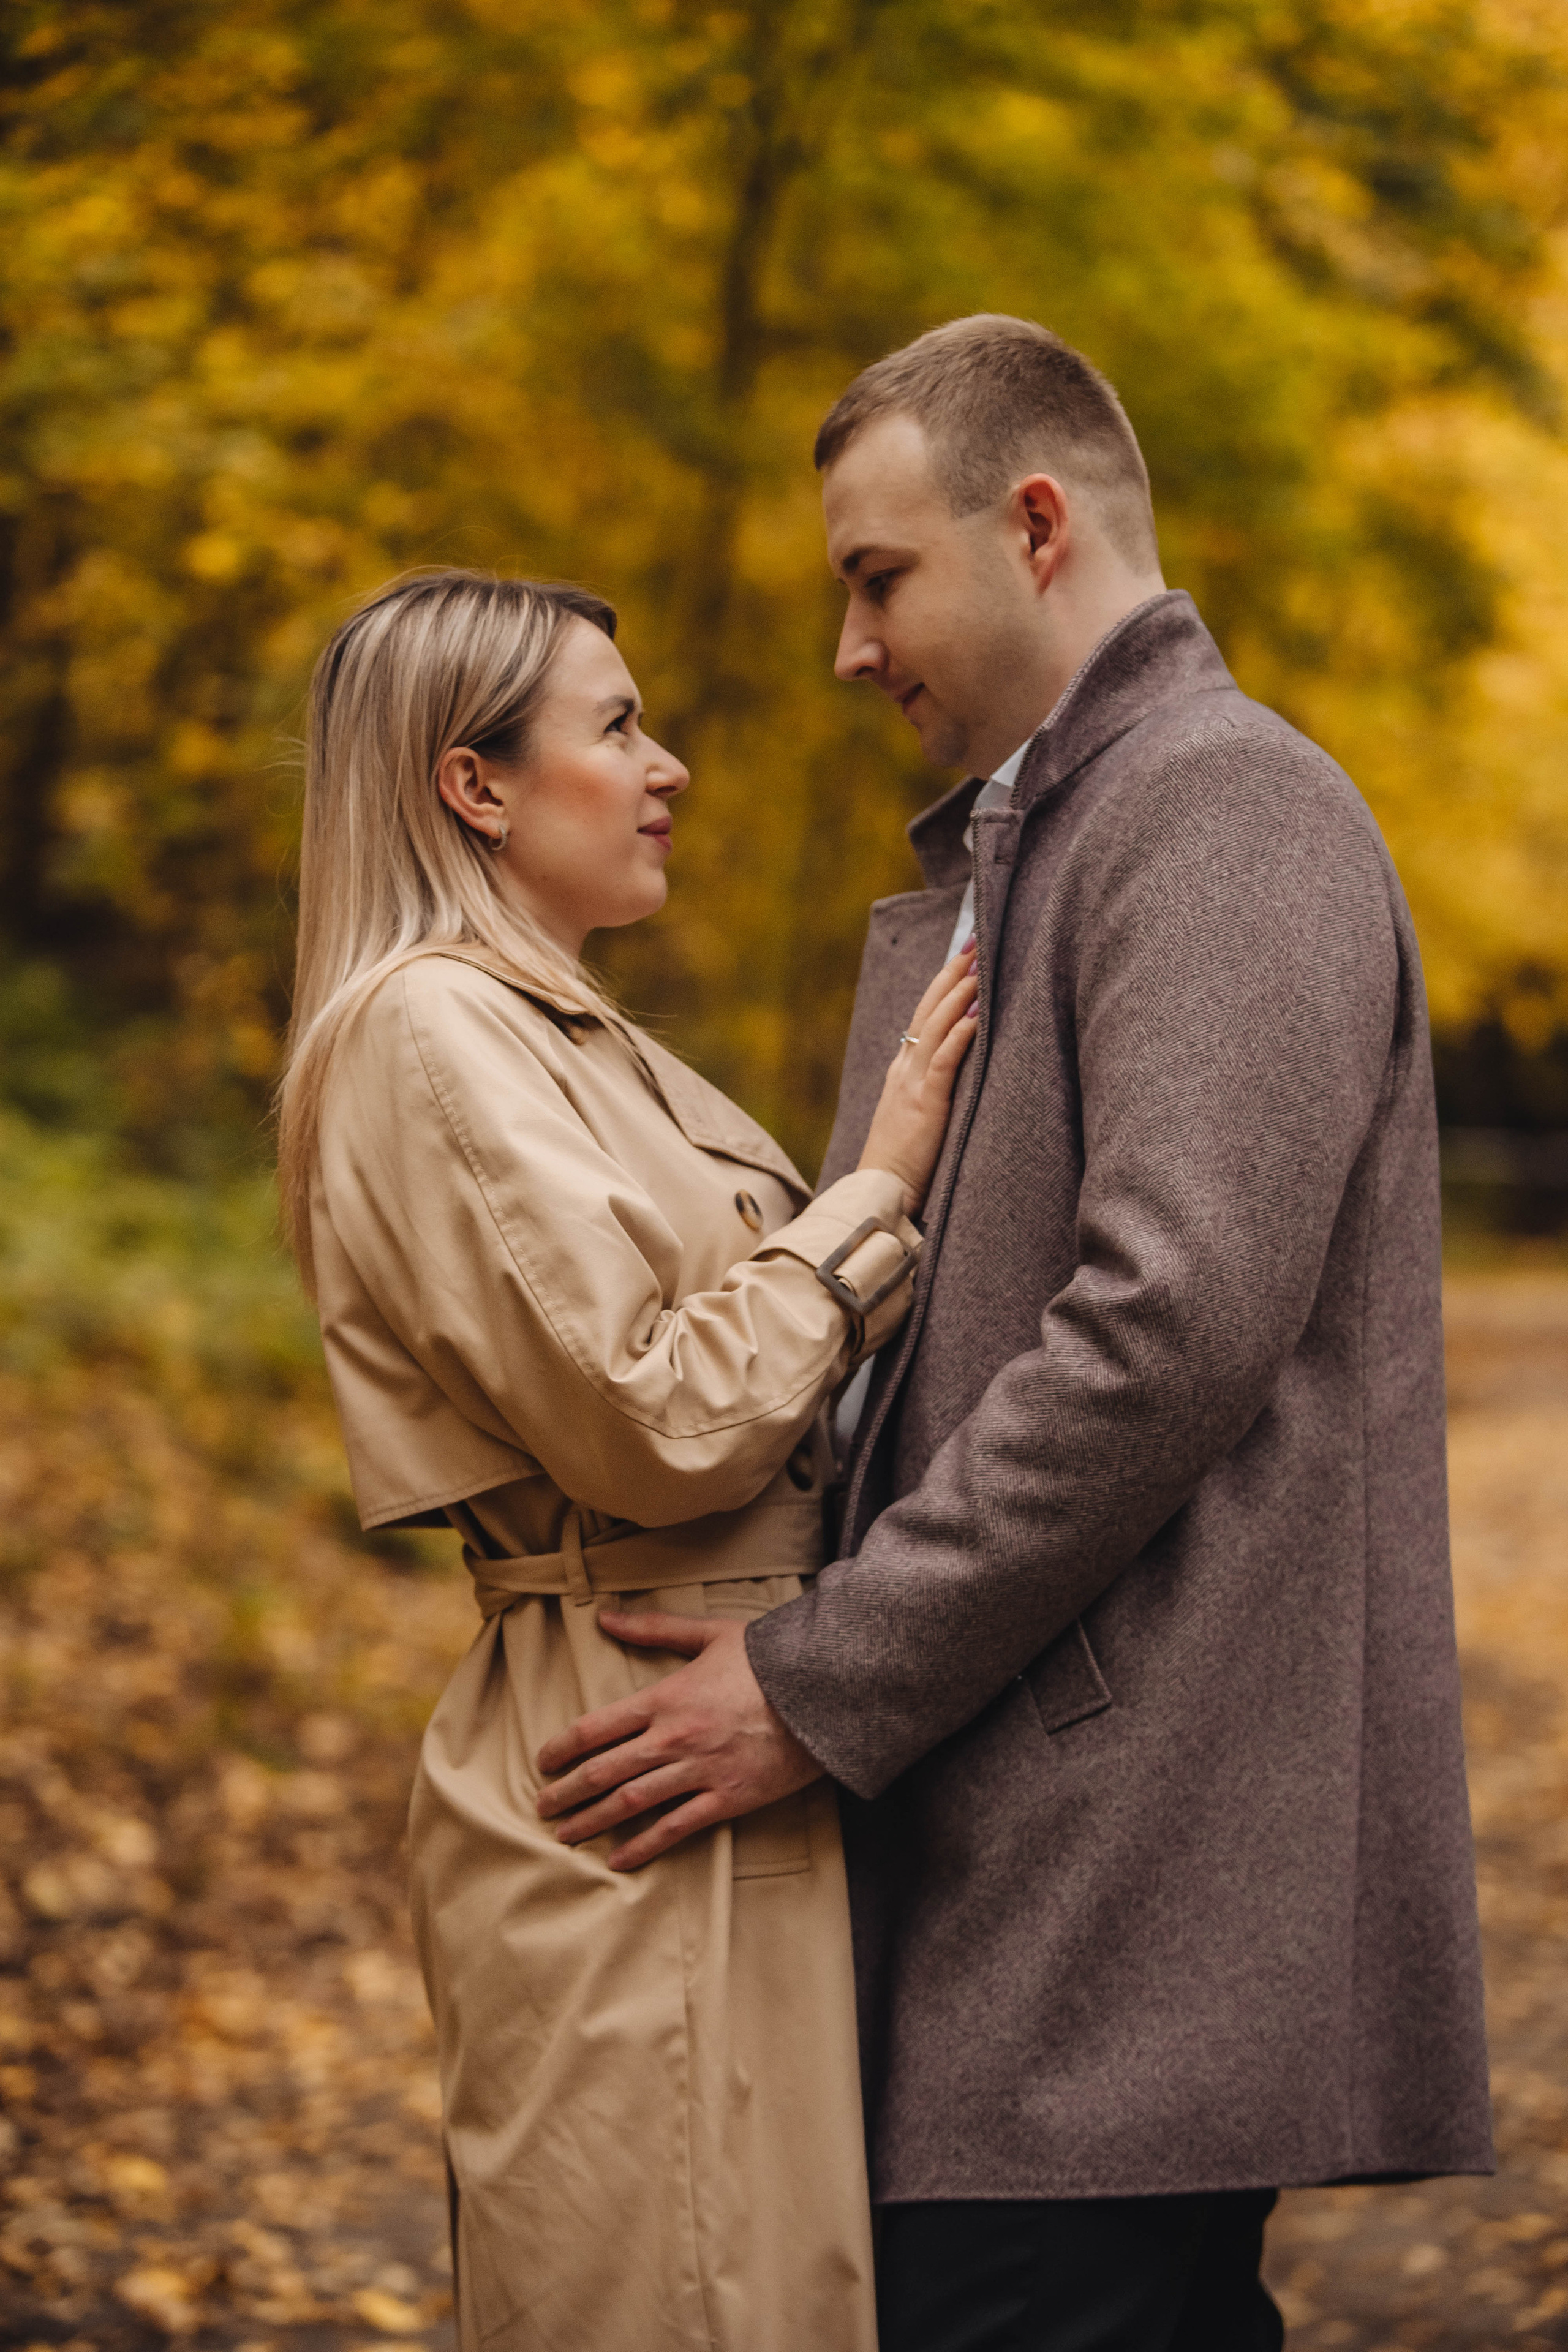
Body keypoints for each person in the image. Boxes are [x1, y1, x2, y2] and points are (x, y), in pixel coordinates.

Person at [533, 317, 1495, 2350]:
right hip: (1025, 1879)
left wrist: (817, 1682)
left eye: (875, 578)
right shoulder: (1059, 828)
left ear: (1034, 523)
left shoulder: (1227, 810)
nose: (848, 649)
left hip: (1111, 1897)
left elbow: (1167, 1322)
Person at [273, 568, 978, 2352]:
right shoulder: (429, 1034)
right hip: (624, 1736)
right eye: (617, 726)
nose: (666, 768)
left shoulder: (565, 1037)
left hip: (709, 1716)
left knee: (769, 2290)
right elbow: (658, 1422)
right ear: (475, 785)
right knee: (673, 2299)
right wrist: (876, 1189)